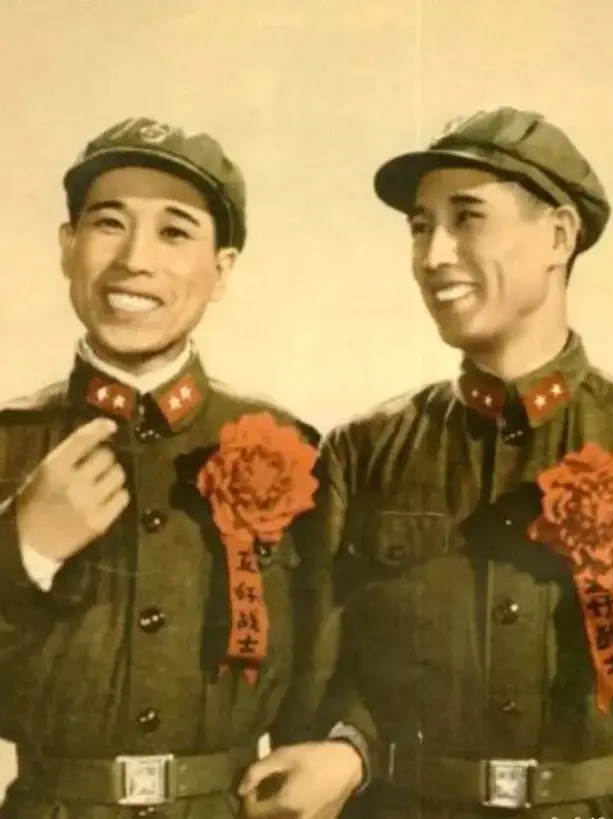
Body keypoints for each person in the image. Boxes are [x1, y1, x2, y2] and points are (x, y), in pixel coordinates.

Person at [240, 107, 613, 819]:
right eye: (420, 227)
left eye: (467, 219)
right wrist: (351, 747)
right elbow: (313, 694)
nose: (433, 256)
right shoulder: (363, 454)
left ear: (559, 235)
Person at [0, 116, 338, 819]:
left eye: (174, 231)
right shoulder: (8, 444)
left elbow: (333, 669)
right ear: (67, 247)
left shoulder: (292, 447)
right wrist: (21, 548)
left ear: (221, 271)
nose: (134, 260)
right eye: (108, 224)